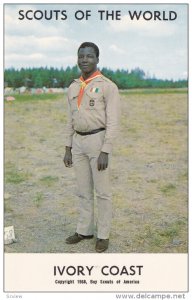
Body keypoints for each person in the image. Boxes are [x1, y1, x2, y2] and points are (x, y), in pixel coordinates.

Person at [63, 42, 120, 253]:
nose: (84, 60)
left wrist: (106, 150)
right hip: (78, 142)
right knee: (83, 190)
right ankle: (84, 230)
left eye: (89, 56)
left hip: (98, 141)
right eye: (81, 56)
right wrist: (68, 146)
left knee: (102, 192)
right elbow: (70, 118)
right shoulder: (73, 87)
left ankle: (103, 234)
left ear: (97, 59)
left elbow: (113, 121)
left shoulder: (107, 86)